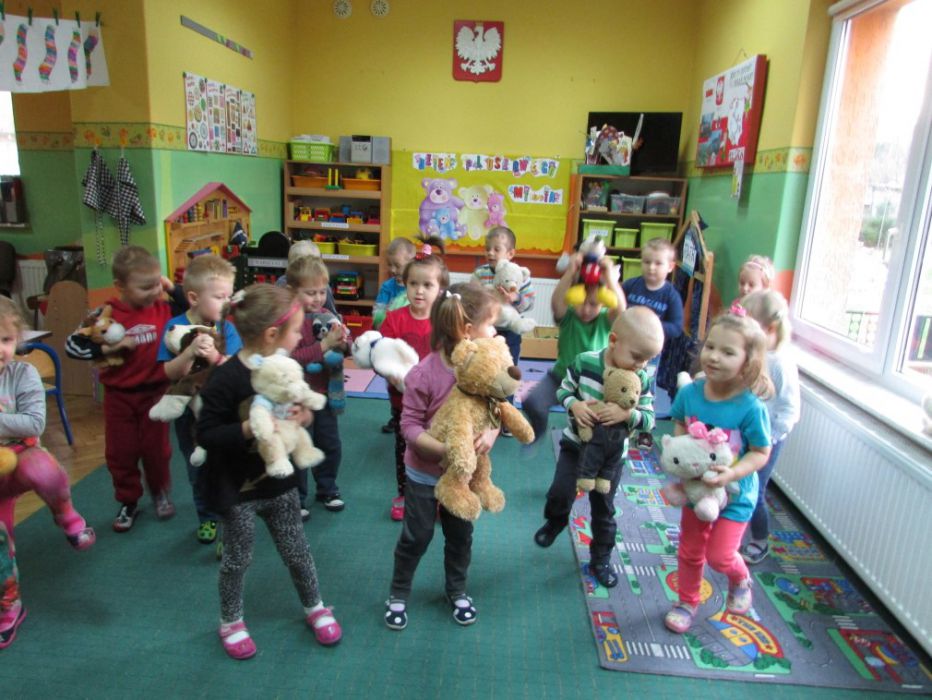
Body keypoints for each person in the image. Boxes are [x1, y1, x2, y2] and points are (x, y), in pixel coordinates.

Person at [197, 284, 342, 660]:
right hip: (237, 489)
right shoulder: (226, 378)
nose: (301, 337)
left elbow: (300, 408)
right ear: (272, 334)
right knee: (237, 559)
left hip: (280, 482)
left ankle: (315, 606)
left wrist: (304, 416)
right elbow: (206, 434)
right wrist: (249, 428)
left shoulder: (285, 369)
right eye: (297, 331)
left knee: (298, 551)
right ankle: (231, 621)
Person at [385, 282, 500, 631]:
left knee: (460, 536)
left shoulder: (484, 369)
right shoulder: (424, 373)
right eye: (490, 324)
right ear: (467, 330)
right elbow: (408, 426)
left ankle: (457, 590)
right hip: (423, 473)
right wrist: (444, 450)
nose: (495, 332)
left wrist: (491, 432)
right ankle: (398, 593)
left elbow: (497, 408)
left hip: (462, 478)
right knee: (417, 536)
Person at [533, 307, 663, 588]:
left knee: (603, 509)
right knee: (560, 493)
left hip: (610, 459)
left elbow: (649, 419)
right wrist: (575, 405)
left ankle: (600, 558)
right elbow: (563, 390)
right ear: (613, 340)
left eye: (648, 359)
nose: (641, 365)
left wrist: (628, 414)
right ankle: (556, 520)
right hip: (576, 445)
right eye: (637, 357)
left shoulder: (641, 378)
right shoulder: (585, 362)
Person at [663, 307, 772, 634]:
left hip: (735, 494)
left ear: (748, 361)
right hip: (698, 490)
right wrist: (683, 461)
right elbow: (680, 424)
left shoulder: (751, 406)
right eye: (710, 346)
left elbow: (760, 452)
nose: (713, 356)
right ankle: (687, 602)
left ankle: (740, 579)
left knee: (720, 556)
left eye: (728, 352)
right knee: (690, 550)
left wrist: (731, 475)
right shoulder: (690, 393)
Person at [65, 245, 187, 532]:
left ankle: (160, 492)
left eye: (157, 283)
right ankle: (128, 500)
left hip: (156, 394)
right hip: (119, 397)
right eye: (145, 287)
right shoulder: (105, 314)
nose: (153, 291)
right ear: (120, 286)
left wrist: (171, 288)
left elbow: (192, 308)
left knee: (157, 451)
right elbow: (72, 345)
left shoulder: (165, 308)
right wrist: (110, 347)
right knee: (121, 452)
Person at [0, 298, 95, 649]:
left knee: (45, 470)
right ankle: (9, 605)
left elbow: (34, 423)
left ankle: (66, 514)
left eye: (6, 340)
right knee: (1, 545)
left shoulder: (21, 374)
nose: (0, 349)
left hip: (20, 459)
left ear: (18, 340)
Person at [157, 254, 242, 544]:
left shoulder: (227, 328)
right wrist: (190, 352)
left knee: (226, 468)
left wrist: (214, 355)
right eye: (219, 297)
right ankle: (206, 517)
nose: (227, 303)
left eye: (229, 296)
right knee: (197, 468)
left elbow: (234, 368)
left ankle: (229, 522)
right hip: (188, 416)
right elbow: (168, 372)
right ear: (193, 298)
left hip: (222, 413)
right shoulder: (174, 328)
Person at [521, 251, 625, 448]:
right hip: (561, 377)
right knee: (532, 402)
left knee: (590, 427)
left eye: (593, 304)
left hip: (593, 384)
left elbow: (621, 310)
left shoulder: (605, 319)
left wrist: (611, 278)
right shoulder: (568, 316)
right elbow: (556, 303)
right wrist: (570, 271)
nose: (585, 309)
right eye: (580, 303)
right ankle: (539, 432)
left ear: (603, 302)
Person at [380, 238, 448, 521]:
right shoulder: (394, 318)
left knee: (439, 449)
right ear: (404, 284)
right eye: (413, 284)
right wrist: (395, 376)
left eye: (427, 285)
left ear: (440, 288)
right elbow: (382, 355)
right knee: (405, 448)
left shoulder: (443, 320)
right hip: (403, 400)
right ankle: (404, 493)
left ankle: (441, 495)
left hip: (439, 402)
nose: (419, 291)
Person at [738, 290, 800, 565]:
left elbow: (789, 410)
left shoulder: (781, 364)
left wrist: (769, 439)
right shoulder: (756, 353)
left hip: (768, 439)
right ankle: (733, 530)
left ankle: (759, 540)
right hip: (747, 432)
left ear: (770, 328)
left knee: (755, 490)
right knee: (737, 484)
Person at [287, 256, 347, 518]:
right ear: (293, 291)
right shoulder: (289, 321)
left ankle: (327, 488)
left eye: (322, 292)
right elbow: (291, 359)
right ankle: (297, 497)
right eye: (310, 293)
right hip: (297, 399)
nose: (318, 298)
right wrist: (323, 346)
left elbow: (344, 350)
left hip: (324, 396)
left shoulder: (328, 315)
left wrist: (343, 343)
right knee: (299, 447)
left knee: (330, 445)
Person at [622, 237, 684, 447]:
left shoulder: (670, 295)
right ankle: (622, 422)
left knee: (645, 389)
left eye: (658, 263)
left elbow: (676, 327)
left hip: (650, 355)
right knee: (622, 383)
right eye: (647, 262)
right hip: (624, 348)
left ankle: (645, 429)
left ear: (670, 267)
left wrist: (652, 325)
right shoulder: (631, 285)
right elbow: (617, 307)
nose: (651, 267)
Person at [471, 226, 535, 368]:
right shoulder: (480, 273)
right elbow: (471, 297)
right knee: (485, 366)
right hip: (486, 328)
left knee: (508, 367)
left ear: (510, 253)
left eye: (496, 249)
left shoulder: (519, 275)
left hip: (511, 330)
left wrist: (516, 298)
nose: (490, 253)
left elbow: (530, 303)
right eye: (487, 249)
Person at [375, 237, 416, 434]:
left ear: (411, 261)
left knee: (414, 382)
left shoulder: (416, 286)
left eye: (397, 265)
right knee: (393, 382)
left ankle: (414, 417)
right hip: (392, 343)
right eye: (390, 264)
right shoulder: (387, 287)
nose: (392, 269)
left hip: (413, 343)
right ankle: (396, 415)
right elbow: (379, 313)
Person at [275, 240, 338, 314]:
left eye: (314, 266)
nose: (318, 299)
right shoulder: (282, 283)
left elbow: (333, 313)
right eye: (311, 293)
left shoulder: (322, 285)